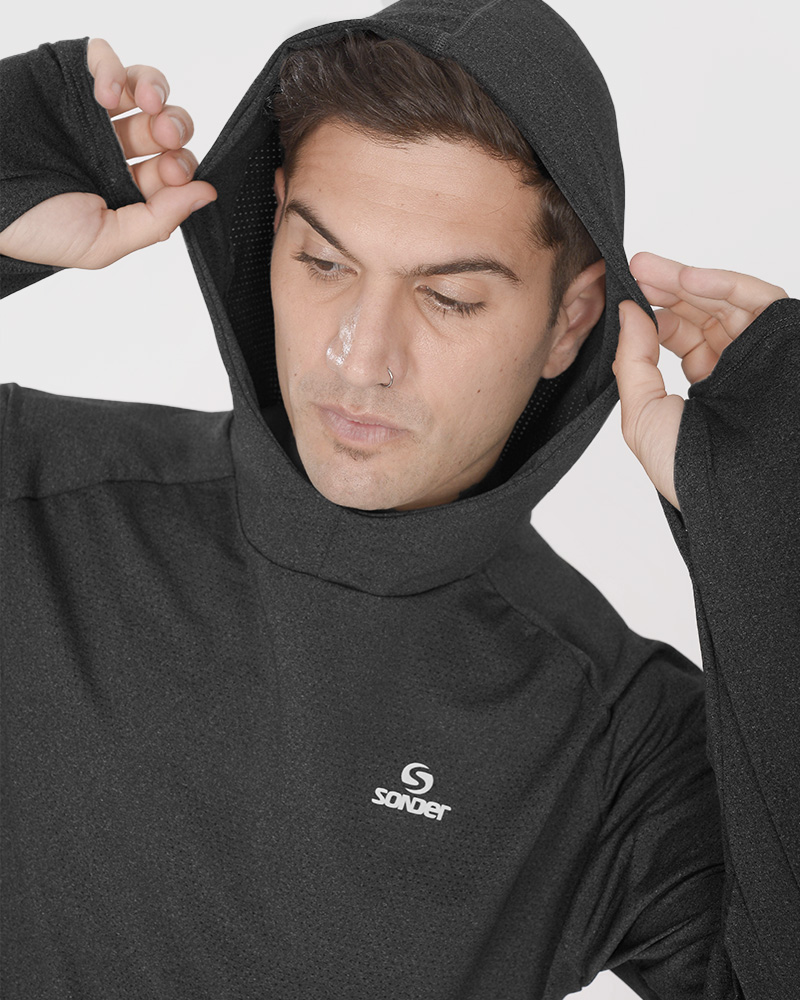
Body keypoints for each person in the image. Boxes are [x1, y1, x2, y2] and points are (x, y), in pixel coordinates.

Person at [1, 2, 797, 999]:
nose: (360, 357)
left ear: (570, 322)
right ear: (271, 226)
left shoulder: (614, 743)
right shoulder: (35, 492)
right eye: (323, 262)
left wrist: (778, 526)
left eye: (447, 296)